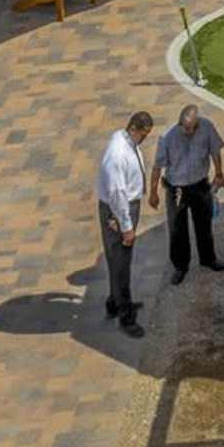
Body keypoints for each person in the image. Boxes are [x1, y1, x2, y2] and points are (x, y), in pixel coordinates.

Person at [95, 111, 154, 338]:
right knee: (121, 261)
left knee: (119, 258)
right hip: (120, 210)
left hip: (126, 206)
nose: (145, 139)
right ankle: (125, 315)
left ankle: (114, 301)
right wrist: (126, 226)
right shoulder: (118, 153)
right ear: (133, 129)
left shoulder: (125, 140)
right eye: (144, 134)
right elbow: (117, 194)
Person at [156, 102, 224, 284]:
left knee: (204, 223)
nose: (190, 132)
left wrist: (219, 173)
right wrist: (153, 193)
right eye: (186, 128)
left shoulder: (206, 126)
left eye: (193, 128)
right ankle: (180, 266)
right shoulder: (167, 138)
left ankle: (208, 259)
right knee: (177, 228)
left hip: (200, 183)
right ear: (180, 124)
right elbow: (157, 166)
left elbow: (215, 150)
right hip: (177, 188)